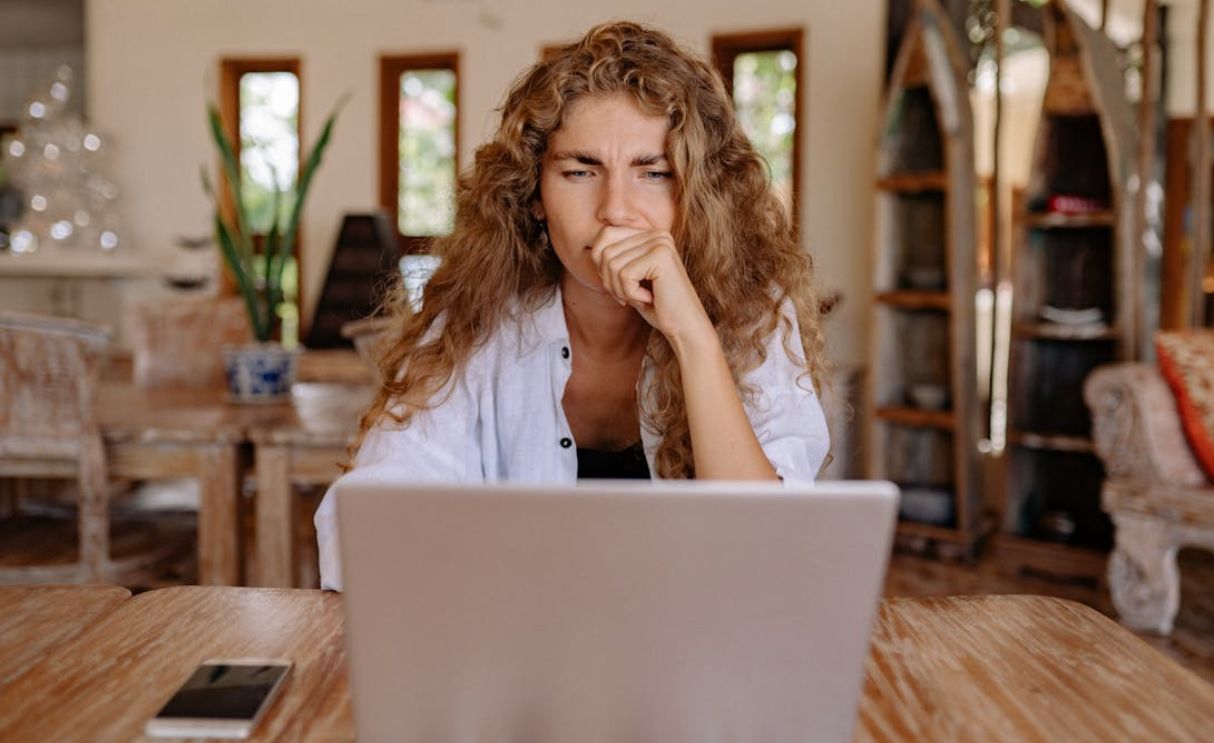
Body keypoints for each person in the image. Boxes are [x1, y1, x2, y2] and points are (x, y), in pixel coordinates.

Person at [315, 20, 829, 590]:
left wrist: (694, 339)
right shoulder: (472, 318)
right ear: (535, 196)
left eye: (654, 173)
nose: (615, 210)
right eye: (580, 172)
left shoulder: (755, 314)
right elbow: (358, 531)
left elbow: (770, 560)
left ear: (699, 197)